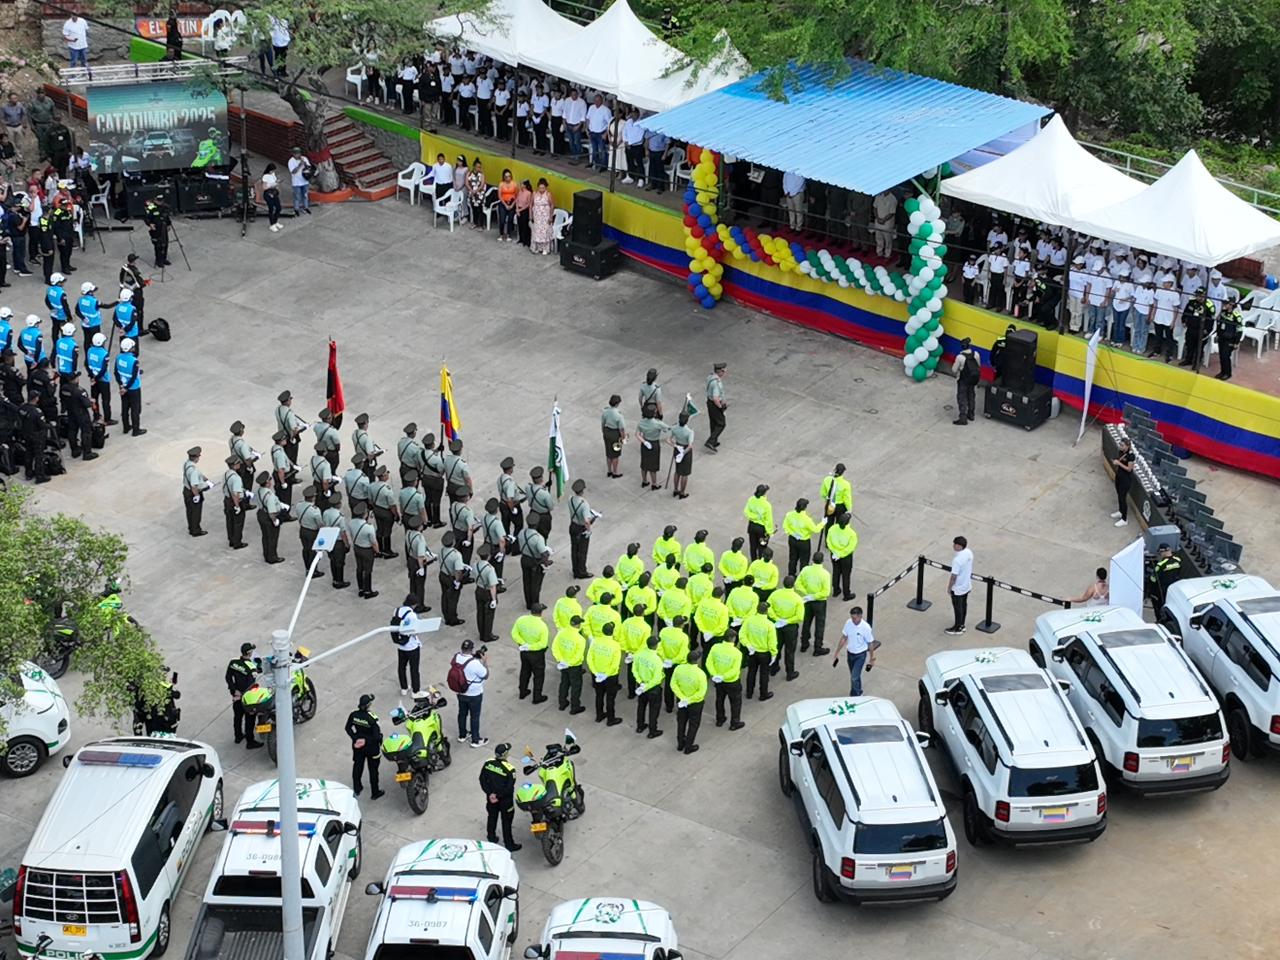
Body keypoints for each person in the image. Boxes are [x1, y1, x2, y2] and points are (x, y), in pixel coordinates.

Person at [480, 743, 521, 852]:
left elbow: (482, 780)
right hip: (505, 801)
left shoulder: (488, 763)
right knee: (506, 822)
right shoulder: (510, 770)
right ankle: (509, 844)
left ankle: (491, 837)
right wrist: (498, 796)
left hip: (491, 799)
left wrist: (490, 794)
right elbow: (508, 788)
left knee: (492, 817)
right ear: (505, 754)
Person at [345, 693, 384, 799]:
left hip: (358, 747)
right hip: (371, 748)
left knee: (357, 766)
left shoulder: (354, 715)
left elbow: (347, 728)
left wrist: (355, 738)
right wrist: (367, 740)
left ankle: (357, 788)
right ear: (368, 705)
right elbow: (376, 737)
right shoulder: (372, 719)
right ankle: (375, 792)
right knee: (373, 770)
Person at [452, 639, 490, 747]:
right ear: (471, 649)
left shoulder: (456, 657)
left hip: (460, 691)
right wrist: (484, 662)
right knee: (474, 716)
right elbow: (485, 675)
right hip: (474, 694)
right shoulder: (475, 663)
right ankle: (475, 740)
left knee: (462, 713)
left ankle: (462, 735)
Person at [225, 642, 262, 749]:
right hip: (248, 697)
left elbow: (228, 677)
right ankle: (250, 741)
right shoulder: (252, 667)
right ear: (249, 653)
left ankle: (238, 736)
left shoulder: (233, 662)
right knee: (250, 719)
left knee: (237, 717)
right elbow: (251, 683)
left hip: (236, 695)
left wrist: (234, 690)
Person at [833, 606, 877, 697]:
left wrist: (872, 658)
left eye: (854, 618)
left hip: (860, 655)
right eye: (852, 618)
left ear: (860, 616)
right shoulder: (848, 623)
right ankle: (856, 692)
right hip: (850, 654)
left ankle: (857, 696)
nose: (853, 620)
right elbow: (844, 637)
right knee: (854, 676)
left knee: (854, 677)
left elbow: (870, 643)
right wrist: (837, 651)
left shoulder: (865, 628)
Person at [670, 649, 707, 754]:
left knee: (681, 722)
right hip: (695, 703)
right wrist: (689, 699)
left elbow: (673, 684)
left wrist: (682, 697)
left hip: (682, 701)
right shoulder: (700, 674)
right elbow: (701, 692)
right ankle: (689, 746)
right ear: (697, 660)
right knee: (693, 724)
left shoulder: (679, 668)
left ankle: (680, 743)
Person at [587, 621, 623, 725]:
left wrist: (595, 672)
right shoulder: (615, 645)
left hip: (597, 674)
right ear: (612, 632)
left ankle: (599, 715)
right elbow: (615, 664)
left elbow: (589, 658)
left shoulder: (595, 642)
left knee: (599, 695)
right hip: (610, 676)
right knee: (610, 697)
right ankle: (611, 719)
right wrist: (606, 674)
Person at [512, 602, 549, 702]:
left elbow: (514, 634)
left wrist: (524, 644)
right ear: (541, 613)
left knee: (525, 671)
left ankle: (522, 692)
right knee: (538, 675)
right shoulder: (542, 626)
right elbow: (543, 644)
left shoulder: (521, 620)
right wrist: (531, 647)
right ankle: (537, 697)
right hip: (537, 654)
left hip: (524, 652)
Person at [706, 633, 744, 730]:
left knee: (719, 699)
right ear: (733, 638)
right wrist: (724, 677)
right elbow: (735, 670)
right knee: (735, 702)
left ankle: (720, 719)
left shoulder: (715, 647)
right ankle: (734, 723)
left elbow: (708, 663)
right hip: (732, 681)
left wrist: (715, 674)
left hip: (718, 681)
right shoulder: (737, 653)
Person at [740, 603, 777, 701]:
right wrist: (774, 653)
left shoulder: (749, 620)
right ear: (766, 611)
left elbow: (742, 635)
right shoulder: (770, 625)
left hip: (752, 651)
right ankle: (763, 694)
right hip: (764, 653)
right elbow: (772, 642)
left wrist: (748, 645)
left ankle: (749, 692)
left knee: (751, 672)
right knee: (764, 674)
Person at [796, 552, 831, 656]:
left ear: (812, 559)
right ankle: (818, 647)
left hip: (807, 600)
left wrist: (807, 594)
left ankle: (804, 643)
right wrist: (814, 596)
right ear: (822, 561)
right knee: (819, 625)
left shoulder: (806, 570)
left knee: (806, 622)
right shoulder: (825, 574)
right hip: (819, 602)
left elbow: (798, 584)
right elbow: (826, 592)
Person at [633, 636, 665, 737]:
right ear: (655, 646)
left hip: (641, 684)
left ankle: (640, 726)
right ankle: (652, 731)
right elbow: (656, 678)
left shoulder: (639, 654)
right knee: (653, 710)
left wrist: (640, 682)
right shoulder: (657, 660)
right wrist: (646, 686)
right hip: (652, 688)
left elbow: (634, 670)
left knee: (641, 706)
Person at [783, 498, 822, 578]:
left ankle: (791, 574)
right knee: (804, 561)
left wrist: (792, 533)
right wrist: (822, 523)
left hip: (793, 539)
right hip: (803, 542)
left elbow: (785, 527)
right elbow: (815, 529)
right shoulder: (807, 520)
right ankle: (802, 577)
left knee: (793, 558)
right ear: (804, 507)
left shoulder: (789, 515)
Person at [516, 524, 552, 610]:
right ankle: (535, 605)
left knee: (526, 581)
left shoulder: (522, 532)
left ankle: (528, 603)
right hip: (535, 562)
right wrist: (547, 562)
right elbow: (543, 554)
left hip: (524, 558)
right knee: (535, 584)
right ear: (536, 525)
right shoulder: (538, 538)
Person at [392, 599, 423, 695]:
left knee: (401, 667)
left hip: (401, 645)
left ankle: (404, 688)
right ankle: (415, 691)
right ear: (414, 604)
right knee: (414, 669)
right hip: (411, 646)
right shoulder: (412, 615)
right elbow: (415, 630)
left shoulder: (396, 610)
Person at [113, 339, 144, 435]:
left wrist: (122, 386)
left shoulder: (118, 358)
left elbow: (116, 372)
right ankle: (136, 430)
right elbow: (134, 376)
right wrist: (126, 388)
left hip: (123, 387)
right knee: (135, 409)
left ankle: (126, 427)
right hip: (133, 388)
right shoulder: (134, 361)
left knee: (125, 408)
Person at [944, 536, 974, 635]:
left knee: (957, 608)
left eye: (955, 544)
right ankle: (962, 624)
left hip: (958, 588)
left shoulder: (957, 560)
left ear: (959, 546)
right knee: (964, 605)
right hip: (966, 585)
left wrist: (949, 588)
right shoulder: (969, 552)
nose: (953, 546)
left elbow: (953, 576)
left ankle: (957, 628)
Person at [1180, 287, 1216, 370]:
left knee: (1199, 347)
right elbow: (1186, 312)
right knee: (1189, 344)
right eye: (1197, 295)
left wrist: (1206, 331)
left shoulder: (1209, 306)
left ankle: (1196, 363)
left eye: (1200, 295)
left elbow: (1211, 321)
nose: (1198, 297)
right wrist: (1184, 320)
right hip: (1191, 327)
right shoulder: (1192, 302)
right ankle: (1188, 359)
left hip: (1201, 330)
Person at [567, 478, 596, 579]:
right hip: (581, 528)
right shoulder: (584, 504)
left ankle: (575, 570)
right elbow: (587, 521)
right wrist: (588, 531)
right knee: (582, 551)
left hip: (573, 525)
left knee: (574, 549)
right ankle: (582, 572)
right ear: (582, 490)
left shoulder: (570, 499)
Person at [1148, 275, 1181, 361]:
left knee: (1169, 337)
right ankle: (1157, 351)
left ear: (1170, 283)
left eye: (1166, 282)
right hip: (1158, 317)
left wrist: (1173, 322)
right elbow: (1155, 304)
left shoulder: (1175, 294)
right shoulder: (1159, 291)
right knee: (1158, 336)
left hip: (1168, 319)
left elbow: (1176, 309)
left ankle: (1169, 354)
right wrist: (1152, 315)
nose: (1164, 284)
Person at [825, 512, 857, 600]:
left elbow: (828, 541)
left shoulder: (832, 529)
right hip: (845, 557)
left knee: (836, 572)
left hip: (834, 555)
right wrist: (841, 554)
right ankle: (846, 594)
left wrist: (835, 552)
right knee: (846, 575)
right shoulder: (851, 533)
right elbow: (850, 547)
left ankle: (836, 590)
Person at [438, 531, 468, 625]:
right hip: (451, 578)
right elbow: (458, 571)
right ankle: (452, 619)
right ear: (453, 542)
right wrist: (457, 581)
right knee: (453, 599)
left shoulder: (441, 550)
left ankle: (446, 616)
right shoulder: (456, 555)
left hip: (442, 574)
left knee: (444, 596)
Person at [350, 503, 379, 599]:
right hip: (367, 550)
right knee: (367, 570)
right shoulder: (369, 527)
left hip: (357, 547)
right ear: (364, 514)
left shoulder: (351, 523)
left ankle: (361, 589)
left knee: (359, 568)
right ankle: (368, 591)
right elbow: (374, 542)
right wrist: (377, 551)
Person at [256, 471, 286, 563]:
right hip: (268, 517)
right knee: (272, 537)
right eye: (270, 479)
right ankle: (272, 557)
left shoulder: (260, 490)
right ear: (267, 482)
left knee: (265, 536)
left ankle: (267, 554)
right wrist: (275, 520)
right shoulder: (270, 496)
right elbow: (271, 512)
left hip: (261, 513)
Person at [181, 447, 211, 537]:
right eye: (198, 456)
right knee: (196, 512)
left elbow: (199, 475)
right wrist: (197, 495)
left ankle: (191, 528)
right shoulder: (193, 470)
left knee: (190, 511)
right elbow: (194, 486)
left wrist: (205, 479)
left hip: (186, 490)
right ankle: (196, 530)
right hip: (192, 493)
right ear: (196, 457)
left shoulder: (187, 464)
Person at [221, 455, 249, 549]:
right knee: (238, 522)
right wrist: (237, 506)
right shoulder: (236, 478)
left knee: (229, 521)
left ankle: (231, 540)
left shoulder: (226, 474)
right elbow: (235, 493)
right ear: (234, 465)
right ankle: (237, 542)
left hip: (227, 500)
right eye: (238, 463)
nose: (239, 464)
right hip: (235, 501)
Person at [636, 405, 667, 488]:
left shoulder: (641, 422)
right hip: (654, 444)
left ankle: (644, 481)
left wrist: (644, 442)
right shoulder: (658, 423)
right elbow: (667, 429)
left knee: (644, 463)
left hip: (645, 443)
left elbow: (637, 434)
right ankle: (654, 484)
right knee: (653, 465)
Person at [1215, 293, 1243, 381]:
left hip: (1230, 339)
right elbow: (1219, 324)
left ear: (1231, 305)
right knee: (1221, 355)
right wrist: (1217, 335)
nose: (1224, 305)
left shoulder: (1236, 316)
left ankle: (1228, 373)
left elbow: (1239, 330)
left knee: (1225, 355)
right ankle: (1222, 371)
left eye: (1226, 304)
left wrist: (1236, 342)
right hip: (1222, 337)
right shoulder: (1223, 312)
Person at [952, 338, 980, 425]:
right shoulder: (976, 354)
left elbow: (954, 369)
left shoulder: (960, 357)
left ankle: (963, 418)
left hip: (963, 379)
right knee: (971, 395)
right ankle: (971, 414)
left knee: (962, 397)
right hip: (973, 379)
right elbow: (978, 365)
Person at [667, 411, 694, 499]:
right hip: (685, 451)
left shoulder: (674, 428)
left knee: (677, 471)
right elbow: (690, 446)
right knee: (684, 473)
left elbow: (668, 439)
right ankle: (682, 492)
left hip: (677, 448)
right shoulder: (689, 432)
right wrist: (683, 453)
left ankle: (675, 489)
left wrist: (675, 445)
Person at [743, 484, 774, 562]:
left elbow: (746, 512)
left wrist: (754, 517)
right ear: (764, 493)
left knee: (753, 546)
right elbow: (768, 520)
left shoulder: (751, 499)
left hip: (752, 526)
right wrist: (769, 532)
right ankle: (760, 561)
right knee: (762, 546)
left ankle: (753, 561)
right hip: (761, 529)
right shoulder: (767, 505)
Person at [601, 394, 628, 478]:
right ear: (617, 404)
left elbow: (603, 423)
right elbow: (621, 429)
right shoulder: (619, 415)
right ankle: (615, 472)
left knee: (608, 453)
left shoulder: (605, 411)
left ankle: (609, 471)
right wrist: (624, 439)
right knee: (615, 454)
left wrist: (604, 432)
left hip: (607, 432)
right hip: (615, 435)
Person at [525, 465, 554, 537]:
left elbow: (535, 488)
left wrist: (545, 485)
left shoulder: (528, 487)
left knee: (533, 535)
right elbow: (551, 507)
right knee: (543, 536)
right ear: (541, 478)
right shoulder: (545, 493)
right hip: (543, 517)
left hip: (533, 513)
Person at [529, 178, 555, 256]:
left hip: (545, 216)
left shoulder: (548, 194)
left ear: (546, 187)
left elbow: (552, 205)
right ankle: (537, 248)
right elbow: (531, 205)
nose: (541, 189)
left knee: (545, 232)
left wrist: (550, 217)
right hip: (536, 216)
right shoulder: (534, 193)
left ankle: (545, 248)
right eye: (540, 188)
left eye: (543, 188)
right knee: (536, 231)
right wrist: (531, 215)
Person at [585, 94, 611, 172]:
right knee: (594, 149)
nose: (597, 102)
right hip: (592, 132)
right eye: (595, 100)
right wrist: (587, 129)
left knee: (602, 150)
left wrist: (605, 134)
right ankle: (594, 163)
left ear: (602, 101)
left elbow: (609, 124)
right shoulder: (591, 107)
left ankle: (604, 166)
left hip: (601, 133)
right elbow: (588, 119)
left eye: (598, 100)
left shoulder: (606, 110)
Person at [143, 198, 171, 268]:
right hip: (156, 229)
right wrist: (150, 224)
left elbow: (166, 216)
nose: (160, 202)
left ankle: (164, 259)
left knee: (165, 243)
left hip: (163, 228)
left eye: (161, 200)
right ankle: (159, 261)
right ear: (155, 200)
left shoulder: (164, 207)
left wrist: (168, 224)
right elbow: (146, 218)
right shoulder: (151, 207)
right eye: (159, 200)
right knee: (158, 245)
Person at [704, 362, 727, 451]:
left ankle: (714, 441)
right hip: (715, 404)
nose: (724, 373)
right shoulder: (717, 383)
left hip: (709, 403)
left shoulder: (710, 377)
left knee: (713, 422)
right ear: (720, 371)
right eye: (724, 371)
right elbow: (716, 398)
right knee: (721, 423)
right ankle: (710, 441)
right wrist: (721, 407)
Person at [288, 147, 312, 216]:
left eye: (298, 153)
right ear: (293, 154)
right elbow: (293, 172)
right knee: (297, 196)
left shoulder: (304, 158)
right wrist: (299, 165)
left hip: (305, 181)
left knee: (305, 195)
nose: (297, 155)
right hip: (296, 182)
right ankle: (296, 209)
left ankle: (306, 207)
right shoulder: (291, 161)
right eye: (295, 154)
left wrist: (305, 164)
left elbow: (309, 168)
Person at [496, 169, 517, 242]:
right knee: (502, 219)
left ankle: (508, 234)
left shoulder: (514, 184)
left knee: (510, 219)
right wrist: (505, 205)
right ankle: (501, 234)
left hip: (511, 202)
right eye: (506, 177)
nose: (508, 178)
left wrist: (512, 205)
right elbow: (499, 196)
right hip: (503, 203)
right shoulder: (501, 184)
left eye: (509, 176)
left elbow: (517, 196)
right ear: (504, 177)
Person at [464, 159, 487, 229]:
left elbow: (482, 184)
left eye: (480, 167)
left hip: (480, 194)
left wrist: (477, 190)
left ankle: (481, 224)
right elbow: (466, 183)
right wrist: (471, 190)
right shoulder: (469, 173)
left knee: (480, 209)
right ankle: (475, 223)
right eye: (477, 167)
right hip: (472, 194)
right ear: (474, 166)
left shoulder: (482, 174)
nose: (478, 168)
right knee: (474, 209)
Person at [261, 163, 283, 232]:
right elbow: (264, 187)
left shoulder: (273, 175)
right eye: (272, 171)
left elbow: (275, 182)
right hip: (268, 193)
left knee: (278, 207)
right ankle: (272, 224)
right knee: (271, 209)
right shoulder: (265, 176)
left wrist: (277, 183)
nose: (273, 172)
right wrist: (271, 185)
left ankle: (275, 221)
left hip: (274, 192)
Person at [515, 179, 533, 247]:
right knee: (520, 225)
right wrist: (517, 209)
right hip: (519, 209)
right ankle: (521, 239)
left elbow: (528, 204)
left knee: (525, 225)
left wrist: (520, 210)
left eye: (522, 184)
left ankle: (526, 240)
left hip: (525, 210)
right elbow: (517, 200)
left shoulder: (528, 193)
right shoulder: (520, 191)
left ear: (525, 185)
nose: (521, 185)